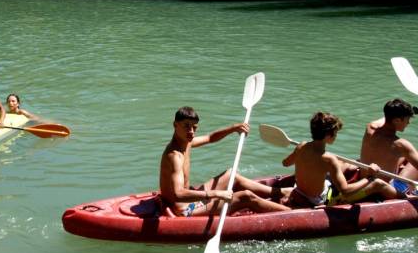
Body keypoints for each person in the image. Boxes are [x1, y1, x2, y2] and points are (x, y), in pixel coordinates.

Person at [159, 106, 290, 217]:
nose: (191, 131)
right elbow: (178, 194)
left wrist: (234, 128)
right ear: (175, 125)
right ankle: (291, 213)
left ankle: (282, 192)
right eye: (187, 126)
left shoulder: (186, 142)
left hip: (192, 202)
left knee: (230, 175)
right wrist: (215, 194)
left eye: (194, 127)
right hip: (185, 210)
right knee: (245, 196)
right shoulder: (174, 156)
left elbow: (210, 138)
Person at [281, 111, 392, 208]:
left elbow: (285, 163)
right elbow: (346, 191)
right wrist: (369, 178)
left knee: (344, 163)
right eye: (335, 133)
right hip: (317, 200)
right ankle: (405, 197)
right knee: (377, 183)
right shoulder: (328, 159)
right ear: (328, 136)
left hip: (299, 191)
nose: (336, 136)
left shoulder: (301, 146)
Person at [356, 98, 418, 195]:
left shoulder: (370, 128)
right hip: (385, 190)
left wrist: (411, 111)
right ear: (397, 120)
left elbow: (388, 116)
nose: (408, 123)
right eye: (407, 119)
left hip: (363, 182)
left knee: (402, 157)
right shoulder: (400, 144)